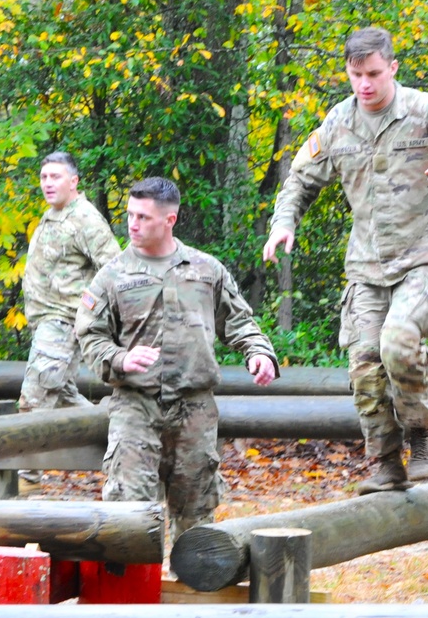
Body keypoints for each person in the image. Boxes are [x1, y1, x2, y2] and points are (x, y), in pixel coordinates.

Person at [262, 26, 428, 494]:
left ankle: (421, 432)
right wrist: (283, 223)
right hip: (366, 268)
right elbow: (299, 180)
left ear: (392, 68)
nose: (365, 84)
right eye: (356, 75)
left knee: (398, 342)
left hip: (421, 260)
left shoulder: (426, 110)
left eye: (374, 73)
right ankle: (384, 462)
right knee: (364, 365)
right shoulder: (339, 122)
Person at [76, 176, 279, 543]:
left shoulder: (205, 270)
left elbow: (238, 320)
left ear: (170, 220)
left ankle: (193, 595)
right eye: (130, 215)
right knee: (129, 516)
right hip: (136, 408)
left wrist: (259, 353)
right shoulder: (112, 276)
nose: (132, 224)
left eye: (143, 217)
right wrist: (120, 359)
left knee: (197, 516)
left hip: (194, 410)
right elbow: (90, 336)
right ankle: (132, 598)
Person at [18, 151, 121, 490]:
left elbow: (116, 268)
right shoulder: (53, 215)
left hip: (64, 321)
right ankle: (123, 435)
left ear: (73, 181)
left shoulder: (85, 219)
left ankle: (26, 481)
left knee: (34, 399)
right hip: (45, 320)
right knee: (61, 396)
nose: (48, 183)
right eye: (44, 177)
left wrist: (93, 313)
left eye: (56, 177)